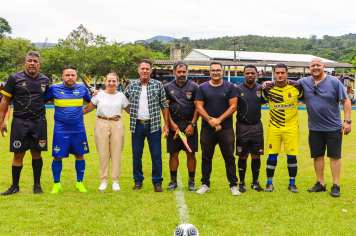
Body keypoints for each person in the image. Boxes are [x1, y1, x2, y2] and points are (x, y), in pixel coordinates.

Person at [299, 58, 351, 197]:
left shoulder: (334, 82)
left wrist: (347, 121)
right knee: (317, 156)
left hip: (333, 127)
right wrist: (268, 83)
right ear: (309, 68)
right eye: (312, 65)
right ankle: (320, 183)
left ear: (324, 67)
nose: (315, 67)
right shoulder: (304, 82)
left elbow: (346, 101)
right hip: (314, 128)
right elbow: (286, 84)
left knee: (334, 156)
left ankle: (336, 185)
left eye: (318, 65)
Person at [0, 51, 49, 195]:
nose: (32, 63)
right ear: (25, 63)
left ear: (39, 64)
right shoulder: (14, 78)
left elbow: (48, 97)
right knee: (18, 154)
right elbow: (5, 101)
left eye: (35, 61)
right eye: (29, 60)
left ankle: (37, 186)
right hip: (20, 122)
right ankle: (15, 186)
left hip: (39, 122)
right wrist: (1, 121)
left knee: (36, 153)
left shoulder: (45, 80)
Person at [123, 59, 170, 193]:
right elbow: (121, 100)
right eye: (142, 68)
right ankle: (138, 181)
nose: (145, 71)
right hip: (136, 126)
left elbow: (164, 105)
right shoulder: (132, 85)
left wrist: (166, 124)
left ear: (151, 71)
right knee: (137, 155)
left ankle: (157, 182)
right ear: (138, 70)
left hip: (154, 126)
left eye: (147, 69)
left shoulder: (158, 85)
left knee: (156, 155)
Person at [44, 65, 91, 194]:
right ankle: (56, 184)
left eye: (73, 75)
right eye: (67, 75)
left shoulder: (82, 88)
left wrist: (84, 111)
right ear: (63, 76)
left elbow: (92, 102)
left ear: (76, 76)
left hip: (78, 128)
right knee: (57, 156)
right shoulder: (54, 89)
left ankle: (80, 183)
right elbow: (41, 100)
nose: (70, 77)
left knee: (80, 155)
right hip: (60, 128)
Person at [195, 61, 240, 196]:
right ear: (209, 72)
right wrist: (211, 121)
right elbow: (199, 107)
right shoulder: (202, 87)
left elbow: (233, 107)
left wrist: (219, 120)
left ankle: (233, 185)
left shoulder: (230, 87)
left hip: (225, 128)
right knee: (206, 157)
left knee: (229, 157)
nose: (215, 72)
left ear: (222, 72)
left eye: (218, 70)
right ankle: (205, 184)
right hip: (207, 128)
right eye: (213, 70)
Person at [83, 73, 130, 191]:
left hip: (117, 123)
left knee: (116, 153)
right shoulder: (99, 95)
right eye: (109, 81)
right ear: (105, 82)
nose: (111, 83)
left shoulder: (121, 96)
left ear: (118, 83)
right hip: (102, 123)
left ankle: (115, 181)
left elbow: (130, 111)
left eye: (114, 81)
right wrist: (69, 112)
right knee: (103, 153)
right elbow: (87, 108)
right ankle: (103, 180)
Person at [262, 63, 303, 193]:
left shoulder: (297, 86)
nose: (280, 75)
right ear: (274, 74)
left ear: (287, 74)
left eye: (282, 72)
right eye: (277, 73)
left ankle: (292, 183)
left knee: (291, 156)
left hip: (291, 128)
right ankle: (269, 183)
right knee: (272, 155)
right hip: (274, 127)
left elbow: (305, 97)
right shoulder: (267, 88)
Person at [164, 61, 199, 191]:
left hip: (190, 125)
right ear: (174, 73)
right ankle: (173, 181)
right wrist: (171, 124)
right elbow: (165, 107)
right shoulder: (167, 87)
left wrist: (193, 124)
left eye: (184, 71)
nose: (181, 74)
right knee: (173, 154)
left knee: (191, 154)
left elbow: (198, 107)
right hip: (174, 126)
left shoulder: (194, 87)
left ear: (187, 72)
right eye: (179, 71)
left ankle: (191, 181)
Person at [235, 65, 265, 193]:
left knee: (256, 155)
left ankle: (255, 182)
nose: (250, 75)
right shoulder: (237, 89)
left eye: (252, 73)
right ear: (244, 75)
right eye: (247, 73)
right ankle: (241, 182)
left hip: (257, 125)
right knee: (243, 156)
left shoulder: (261, 89)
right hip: (242, 126)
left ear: (257, 75)